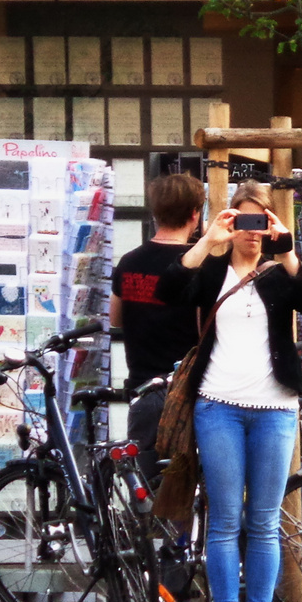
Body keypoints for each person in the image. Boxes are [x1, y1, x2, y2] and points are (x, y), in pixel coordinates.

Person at [157, 180, 302, 602]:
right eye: (244, 221)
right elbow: (169, 289)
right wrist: (207, 242)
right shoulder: (212, 270)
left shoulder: (279, 273)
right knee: (226, 520)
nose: (252, 232)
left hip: (274, 408)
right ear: (232, 222)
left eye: (261, 221)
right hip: (219, 406)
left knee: (266, 521)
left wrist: (288, 249)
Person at [110, 173, 205, 481]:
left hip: (143, 389)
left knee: (149, 492)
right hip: (189, 390)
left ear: (155, 213)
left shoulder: (128, 262)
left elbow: (115, 319)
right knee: (190, 490)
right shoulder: (197, 266)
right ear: (195, 214)